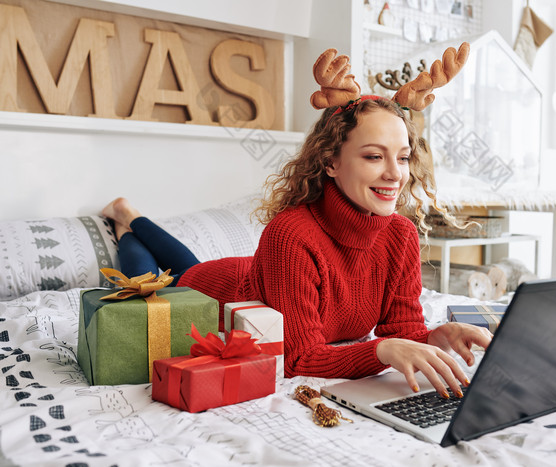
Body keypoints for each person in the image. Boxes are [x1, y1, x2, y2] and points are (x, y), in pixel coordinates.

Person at [102, 44, 492, 399]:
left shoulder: (400, 234)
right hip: (211, 289)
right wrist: (379, 350)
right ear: (330, 163)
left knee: (187, 261)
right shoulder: (291, 235)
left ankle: (128, 216)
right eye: (374, 156)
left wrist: (433, 337)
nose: (395, 174)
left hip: (256, 275)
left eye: (403, 157)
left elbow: (402, 333)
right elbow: (299, 359)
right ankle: (126, 220)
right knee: (162, 277)